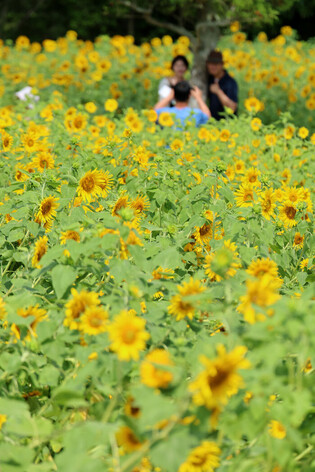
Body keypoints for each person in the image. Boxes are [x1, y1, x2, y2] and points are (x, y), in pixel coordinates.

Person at [206, 50, 238, 120]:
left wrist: (218, 91)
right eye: (210, 63)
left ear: (222, 64)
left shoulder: (230, 82)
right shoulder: (209, 79)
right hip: (212, 124)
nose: (213, 66)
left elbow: (232, 108)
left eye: (216, 64)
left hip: (227, 125)